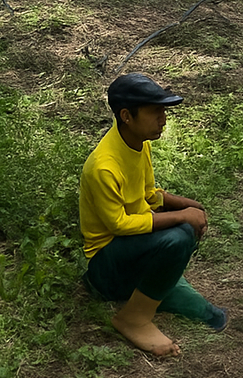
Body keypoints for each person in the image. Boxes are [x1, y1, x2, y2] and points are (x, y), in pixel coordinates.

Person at [80, 73, 226, 357]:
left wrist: (187, 204)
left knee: (184, 232)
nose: (163, 119)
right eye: (156, 112)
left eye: (163, 112)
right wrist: (181, 216)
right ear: (126, 116)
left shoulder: (138, 144)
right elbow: (119, 225)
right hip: (106, 267)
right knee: (179, 236)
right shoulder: (103, 166)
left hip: (131, 253)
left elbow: (148, 195)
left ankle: (155, 286)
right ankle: (133, 318)